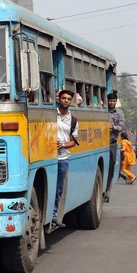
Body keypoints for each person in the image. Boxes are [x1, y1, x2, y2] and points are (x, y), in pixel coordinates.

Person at [53, 89, 79, 227]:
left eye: (68, 99)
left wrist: (62, 145)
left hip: (63, 157)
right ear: (59, 99)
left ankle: (54, 215)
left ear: (71, 102)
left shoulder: (73, 120)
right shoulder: (51, 114)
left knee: (58, 189)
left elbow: (74, 142)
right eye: (64, 98)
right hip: (48, 157)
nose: (66, 101)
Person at [106, 90, 125, 196]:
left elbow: (121, 126)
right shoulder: (103, 111)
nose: (111, 103)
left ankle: (108, 187)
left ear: (116, 101)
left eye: (113, 101)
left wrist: (113, 127)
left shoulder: (119, 113)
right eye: (110, 101)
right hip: (101, 142)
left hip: (112, 141)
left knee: (112, 164)